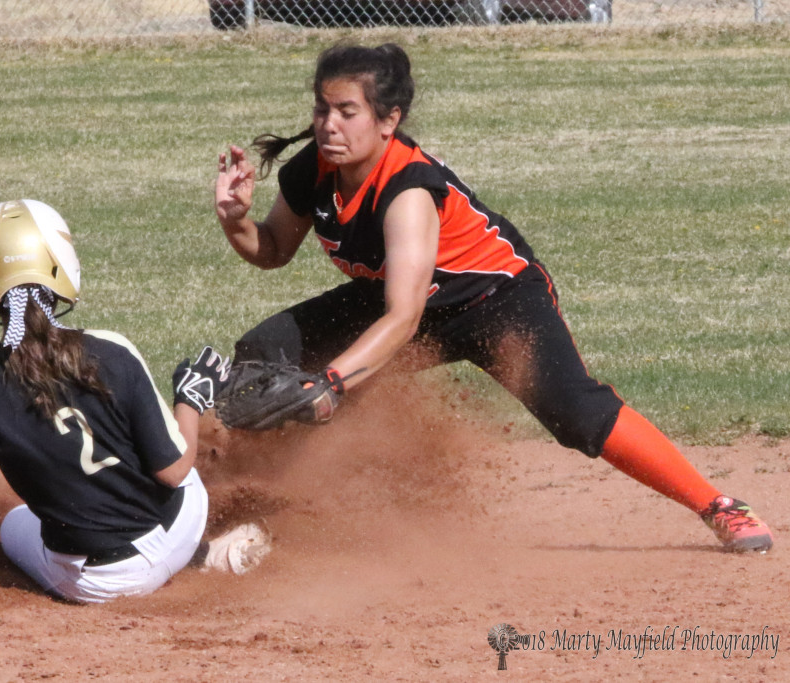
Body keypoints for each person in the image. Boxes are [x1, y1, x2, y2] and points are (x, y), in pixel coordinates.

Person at [213, 43, 773, 553]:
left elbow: (404, 318)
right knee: (267, 351)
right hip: (405, 300)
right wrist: (235, 221)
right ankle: (252, 509)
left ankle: (718, 505)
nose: (329, 124)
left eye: (347, 111)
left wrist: (332, 382)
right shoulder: (315, 170)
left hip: (496, 300)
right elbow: (272, 250)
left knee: (575, 412)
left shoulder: (408, 192)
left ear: (389, 121)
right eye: (322, 109)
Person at [0, 199, 270, 606]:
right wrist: (189, 401)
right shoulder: (113, 349)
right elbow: (175, 470)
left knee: (14, 525)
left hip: (105, 583)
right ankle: (203, 554)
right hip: (180, 526)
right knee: (172, 473)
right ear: (64, 269)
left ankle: (196, 559)